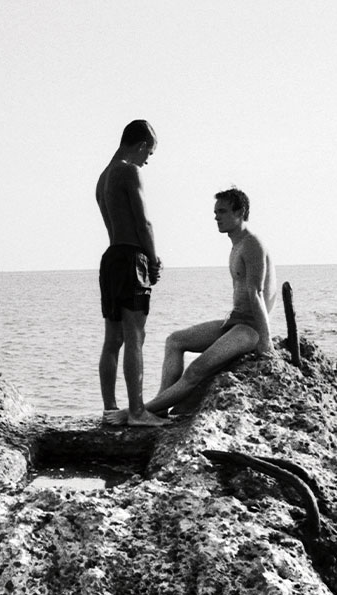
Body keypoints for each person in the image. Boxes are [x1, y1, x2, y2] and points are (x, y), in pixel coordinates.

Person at [105, 187, 277, 425]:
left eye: (223, 211)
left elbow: (256, 293)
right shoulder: (236, 244)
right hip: (236, 321)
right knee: (175, 340)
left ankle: (135, 412)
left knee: (195, 371)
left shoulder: (252, 244)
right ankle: (158, 409)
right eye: (215, 212)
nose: (216, 216)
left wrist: (266, 343)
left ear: (241, 212)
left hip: (250, 329)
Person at [96, 120, 166, 427]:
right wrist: (152, 260)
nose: (148, 160)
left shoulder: (103, 178)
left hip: (111, 257)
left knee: (113, 339)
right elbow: (144, 222)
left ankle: (111, 410)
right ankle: (137, 411)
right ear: (140, 145)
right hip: (131, 257)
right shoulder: (129, 170)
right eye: (149, 152)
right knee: (136, 335)